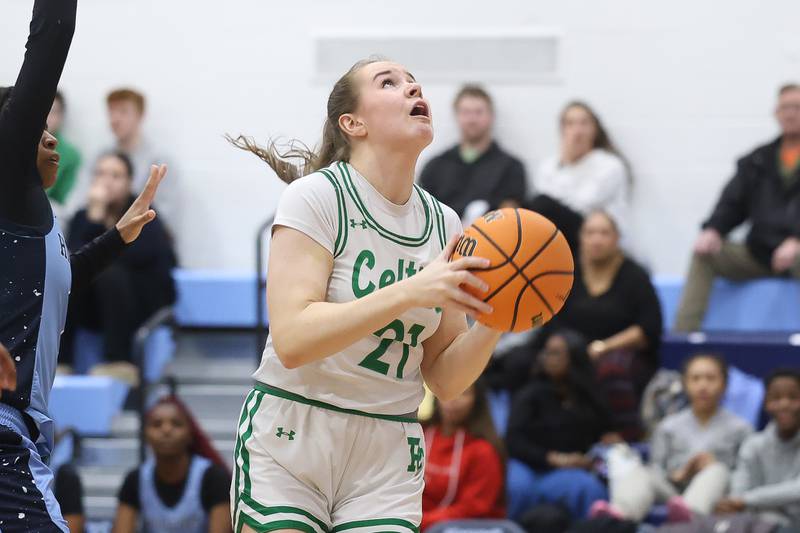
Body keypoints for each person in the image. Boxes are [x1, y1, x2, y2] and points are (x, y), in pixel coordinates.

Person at [228, 58, 504, 532]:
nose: (412, 86)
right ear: (352, 123)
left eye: (413, 80)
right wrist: (411, 290)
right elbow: (292, 340)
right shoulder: (315, 197)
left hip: (387, 445)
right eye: (389, 82)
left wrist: (499, 319)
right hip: (295, 432)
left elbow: (444, 379)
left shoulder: (444, 224)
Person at [0, 1, 167, 530]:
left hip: (20, 424)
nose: (52, 138)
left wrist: (118, 237)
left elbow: (61, 279)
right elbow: (51, 37)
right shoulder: (11, 186)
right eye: (38, 130)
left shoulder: (31, 220)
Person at [675, 83, 800, 332]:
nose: (790, 113)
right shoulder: (757, 160)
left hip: (796, 252)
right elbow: (732, 202)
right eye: (785, 107)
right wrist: (713, 230)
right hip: (760, 251)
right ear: (776, 112)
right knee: (705, 255)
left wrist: (797, 240)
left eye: (796, 107)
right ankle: (683, 340)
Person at [592, 354, 752, 523]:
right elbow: (657, 469)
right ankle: (618, 515)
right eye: (695, 379)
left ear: (725, 384)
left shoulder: (741, 428)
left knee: (717, 471)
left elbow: (746, 474)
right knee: (643, 471)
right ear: (685, 384)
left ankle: (690, 516)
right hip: (674, 493)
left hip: (717, 494)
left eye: (711, 378)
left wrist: (715, 470)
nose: (703, 385)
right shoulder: (668, 426)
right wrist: (678, 475)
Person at [61, 152, 177, 374]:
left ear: (128, 182)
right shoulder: (82, 217)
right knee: (66, 278)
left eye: (116, 175)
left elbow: (141, 257)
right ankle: (61, 363)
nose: (106, 181)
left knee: (109, 272)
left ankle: (118, 362)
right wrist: (94, 220)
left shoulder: (145, 214)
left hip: (140, 301)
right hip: (95, 305)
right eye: (101, 173)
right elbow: (76, 260)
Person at [549, 210, 662, 439]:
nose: (597, 239)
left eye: (604, 233)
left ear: (616, 238)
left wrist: (604, 347)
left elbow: (649, 327)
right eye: (590, 233)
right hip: (576, 351)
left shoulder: (634, 276)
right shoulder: (568, 273)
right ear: (581, 238)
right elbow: (554, 320)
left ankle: (628, 435)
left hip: (624, 354)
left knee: (611, 367)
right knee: (531, 363)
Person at [505, 329, 614, 520]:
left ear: (574, 357)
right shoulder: (530, 393)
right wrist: (552, 458)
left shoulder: (589, 396)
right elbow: (513, 440)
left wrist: (599, 448)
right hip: (529, 465)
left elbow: (603, 434)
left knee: (590, 488)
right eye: (546, 352)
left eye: (555, 353)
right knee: (517, 486)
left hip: (569, 468)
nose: (547, 358)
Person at [113, 396, 232, 533]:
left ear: (190, 434)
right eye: (157, 424)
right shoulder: (134, 479)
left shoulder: (214, 478)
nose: (166, 430)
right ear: (145, 434)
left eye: (176, 424)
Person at [528, 101, 631, 251]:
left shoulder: (610, 165)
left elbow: (583, 205)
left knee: (543, 203)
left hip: (594, 236)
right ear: (562, 130)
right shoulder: (549, 165)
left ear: (594, 129)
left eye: (584, 123)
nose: (578, 130)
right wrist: (567, 161)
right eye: (570, 124)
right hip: (557, 240)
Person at [419, 84, 527, 222]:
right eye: (466, 112)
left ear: (491, 116)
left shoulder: (511, 168)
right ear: (456, 116)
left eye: (478, 112)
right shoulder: (435, 167)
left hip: (491, 240)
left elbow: (511, 217)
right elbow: (423, 214)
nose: (472, 119)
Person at [716, 369, 800, 529]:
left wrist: (746, 500)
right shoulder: (753, 444)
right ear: (766, 403)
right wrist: (742, 501)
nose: (784, 404)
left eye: (793, 397)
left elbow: (798, 490)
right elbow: (738, 493)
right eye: (776, 398)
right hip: (761, 522)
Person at [422, 380, 505, 529]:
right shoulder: (420, 433)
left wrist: (421, 523)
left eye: (464, 393)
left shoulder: (483, 450)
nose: (453, 399)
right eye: (449, 390)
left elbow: (472, 508)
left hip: (459, 527)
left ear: (477, 401)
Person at [106, 87, 178, 230]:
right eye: (111, 111)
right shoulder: (103, 157)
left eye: (123, 112)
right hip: (104, 234)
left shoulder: (159, 159)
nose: (115, 119)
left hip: (144, 235)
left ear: (140, 115)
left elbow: (165, 212)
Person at [45, 90, 82, 212]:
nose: (47, 117)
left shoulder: (71, 155)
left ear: (61, 117)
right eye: (44, 109)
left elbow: (62, 197)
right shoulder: (20, 142)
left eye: (53, 112)